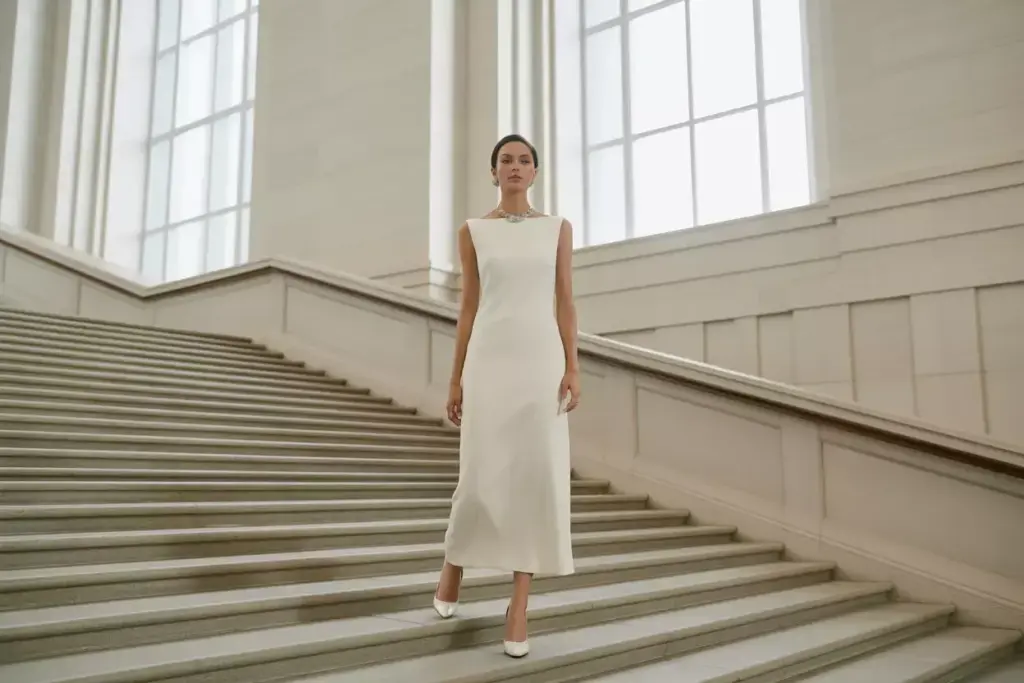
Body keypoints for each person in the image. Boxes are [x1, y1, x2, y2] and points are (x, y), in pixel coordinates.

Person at [433, 133, 582, 658]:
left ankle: (518, 606)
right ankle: (453, 564)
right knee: (478, 475)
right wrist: (455, 378)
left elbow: (565, 300)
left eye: (523, 160)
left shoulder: (557, 229)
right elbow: (469, 307)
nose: (515, 167)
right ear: (494, 173)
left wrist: (573, 366)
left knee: (535, 478)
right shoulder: (473, 231)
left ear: (535, 172)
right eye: (505, 160)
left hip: (541, 365)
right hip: (489, 362)